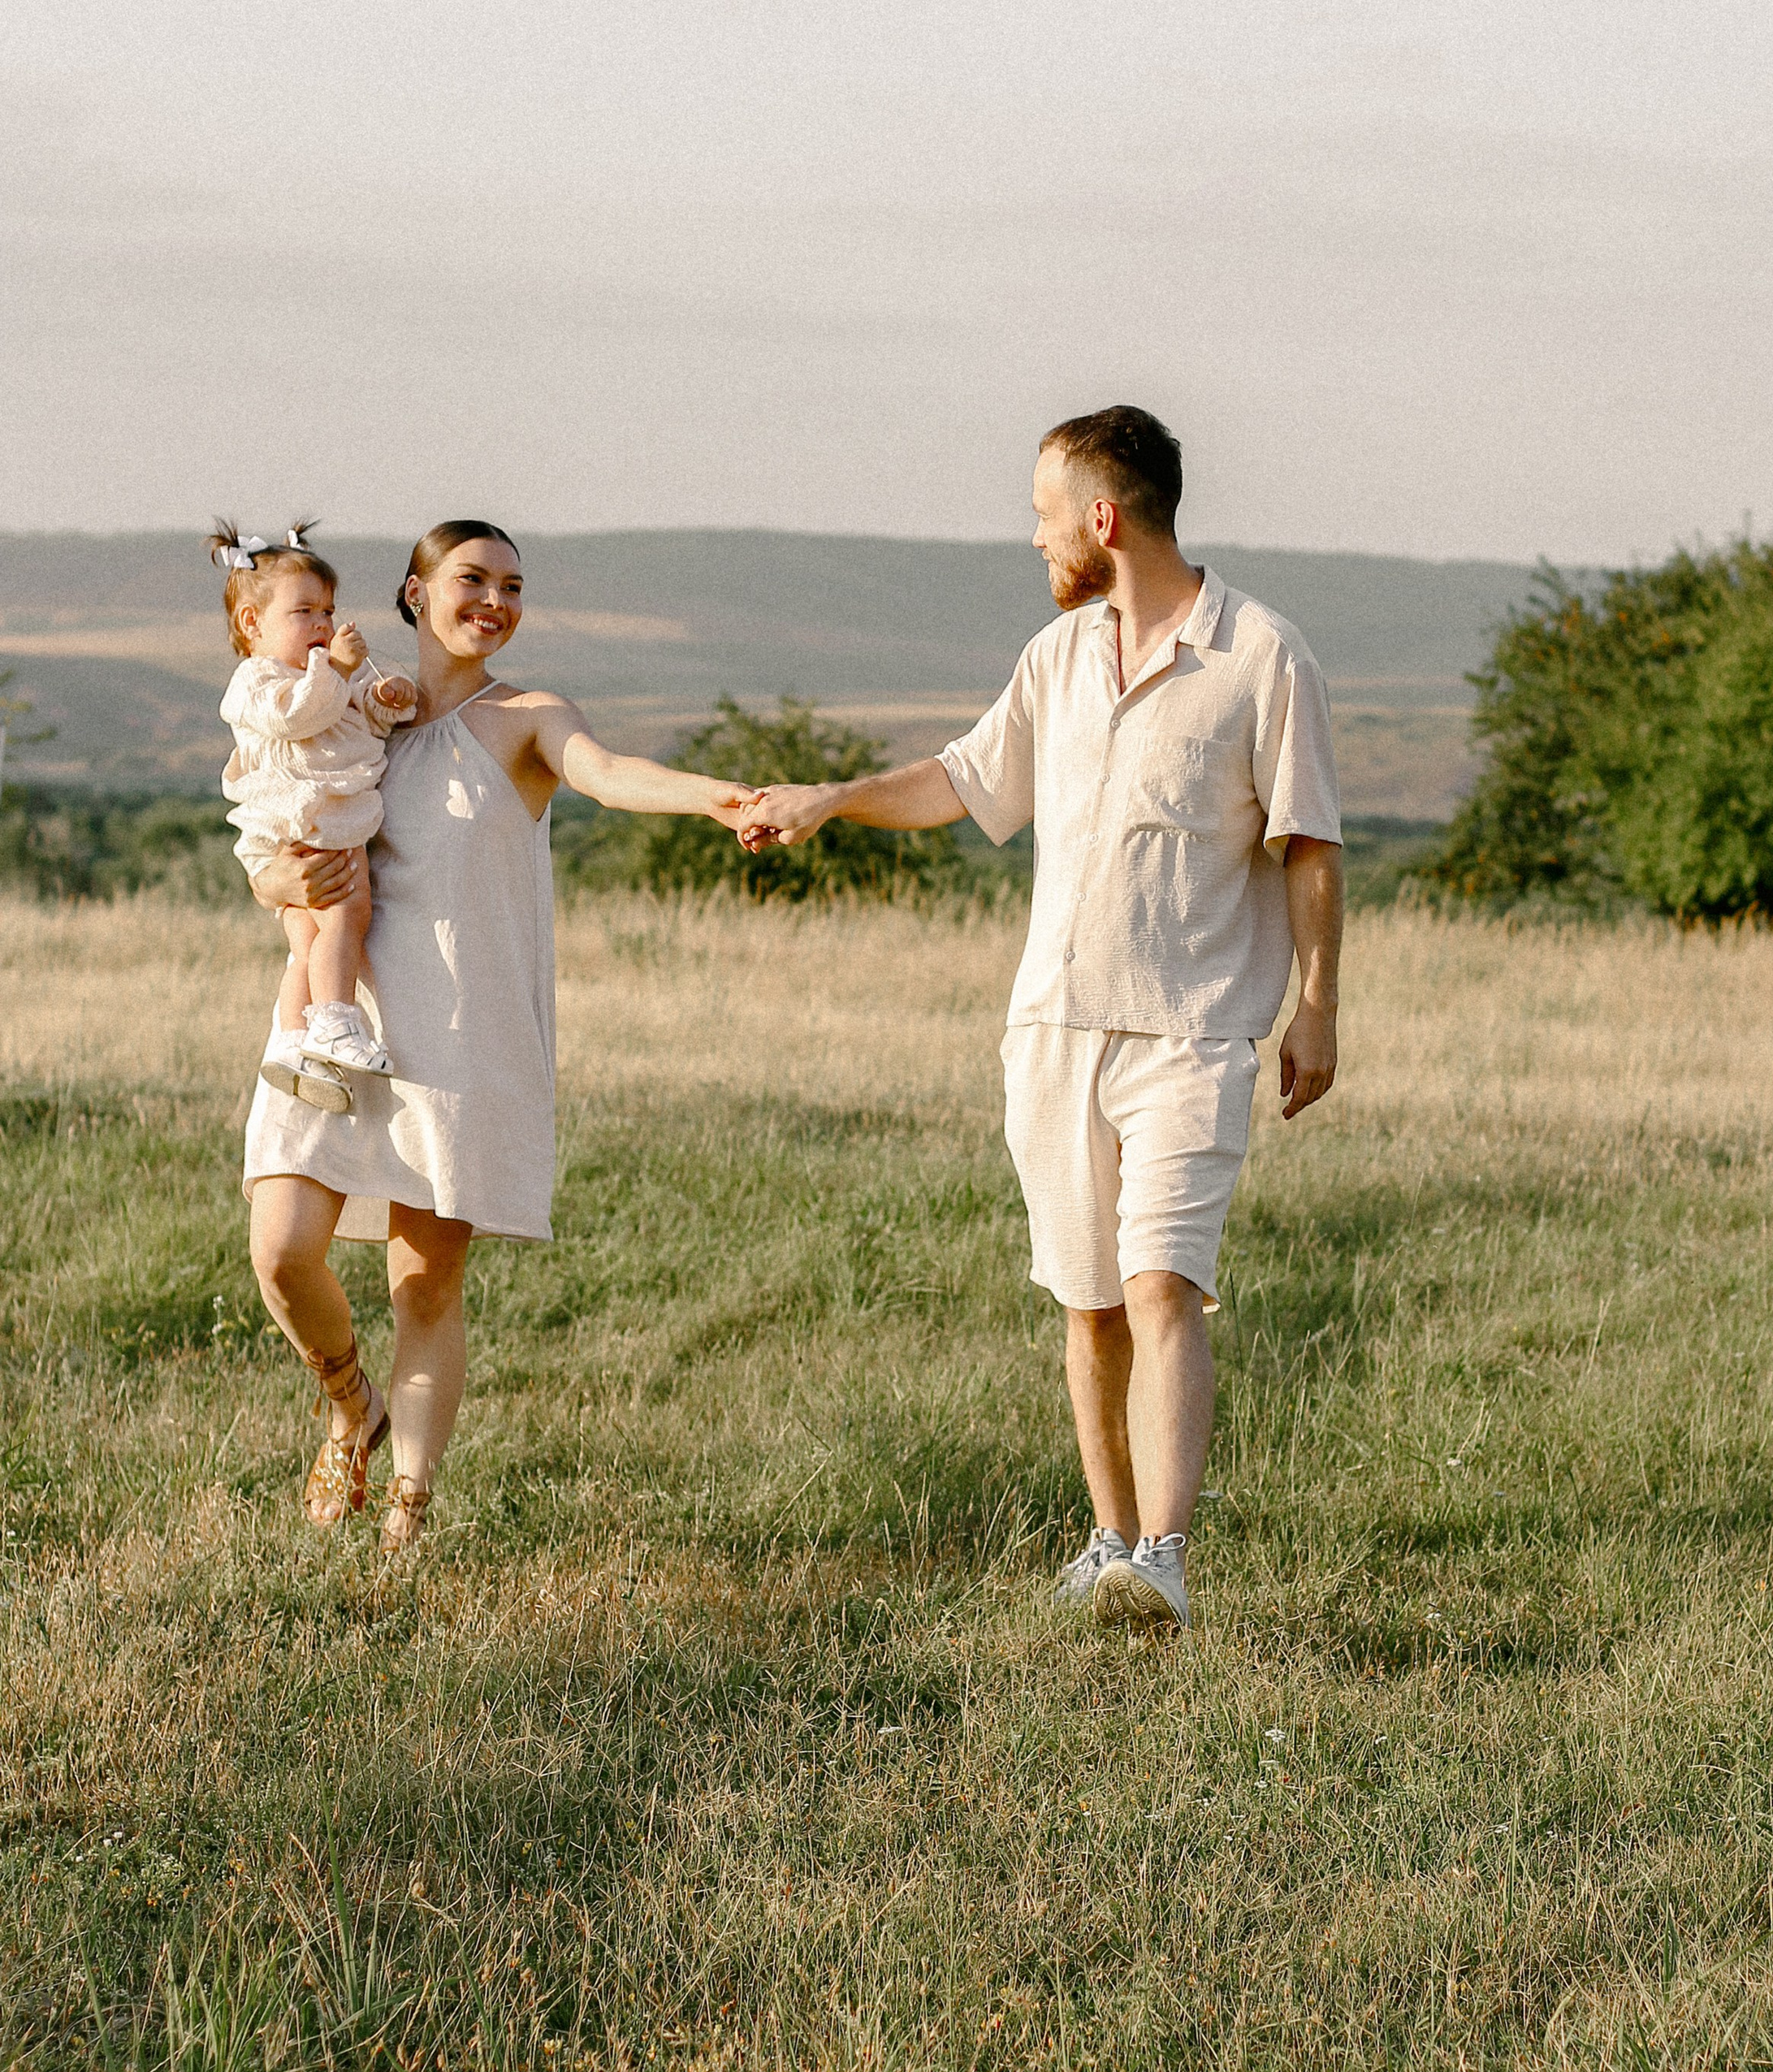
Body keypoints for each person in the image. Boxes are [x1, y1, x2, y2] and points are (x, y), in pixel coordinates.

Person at [738, 405, 1343, 1633]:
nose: (1035, 538)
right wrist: (832, 797)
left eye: (1043, 514)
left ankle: (1162, 1561)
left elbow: (1309, 844)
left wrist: (1319, 1005)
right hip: (1054, 1031)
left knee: (1163, 1284)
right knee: (1091, 1302)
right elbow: (964, 782)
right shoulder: (1057, 656)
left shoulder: (1262, 656)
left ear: (1102, 518)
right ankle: (1108, 1542)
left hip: (1192, 1033)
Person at [242, 519, 750, 1553]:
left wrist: (718, 798)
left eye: (513, 587)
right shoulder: (349, 703)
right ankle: (349, 1405)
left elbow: (605, 772)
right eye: (472, 579)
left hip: (460, 1036)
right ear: (414, 592)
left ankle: (406, 1519)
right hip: (332, 1023)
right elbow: (277, 825)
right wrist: (272, 880)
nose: (495, 601)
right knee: (281, 1250)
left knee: (424, 1284)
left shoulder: (528, 718)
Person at [210, 521, 419, 1091]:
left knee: (308, 943)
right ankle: (334, 1020)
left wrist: (383, 699)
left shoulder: (320, 675)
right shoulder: (257, 681)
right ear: (252, 623)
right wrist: (340, 670)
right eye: (304, 612)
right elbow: (299, 717)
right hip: (308, 821)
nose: (323, 624)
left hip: (308, 824)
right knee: (349, 917)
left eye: (327, 610)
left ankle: (292, 1041)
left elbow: (357, 726)